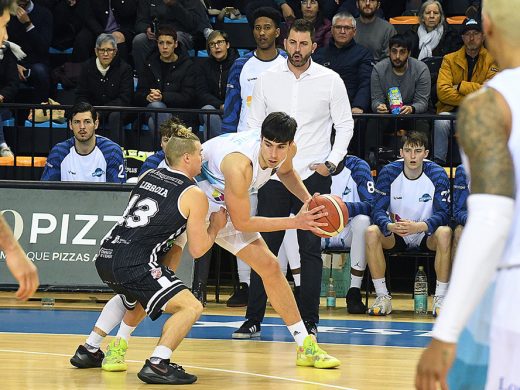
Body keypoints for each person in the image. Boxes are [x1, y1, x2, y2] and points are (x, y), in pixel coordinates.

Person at [71, 125, 229, 385]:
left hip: (107, 254)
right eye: (200, 154)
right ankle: (159, 362)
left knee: (132, 296)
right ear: (187, 158)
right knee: (191, 307)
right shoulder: (194, 194)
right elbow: (199, 249)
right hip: (135, 262)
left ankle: (89, 349)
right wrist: (215, 226)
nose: (203, 158)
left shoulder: (148, 175)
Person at [416, 0, 519, 387]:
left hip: (510, 289)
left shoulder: (489, 106)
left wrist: (446, 332)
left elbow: (492, 220)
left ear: (487, 25)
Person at [237, 19, 354, 338]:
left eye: (304, 44)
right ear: (284, 42)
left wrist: (331, 163)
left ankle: (309, 320)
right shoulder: (266, 78)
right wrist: (258, 166)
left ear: (313, 46)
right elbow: (253, 125)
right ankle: (252, 319)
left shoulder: (330, 80)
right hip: (273, 177)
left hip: (313, 177)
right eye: (292, 43)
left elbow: (345, 125)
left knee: (311, 250)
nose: (297, 49)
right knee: (264, 248)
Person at [197, 112, 340, 368]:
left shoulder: (286, 151)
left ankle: (305, 346)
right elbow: (243, 223)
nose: (274, 154)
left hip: (221, 205)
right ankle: (106, 342)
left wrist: (309, 202)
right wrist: (296, 222)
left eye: (280, 147)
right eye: (268, 145)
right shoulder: (239, 165)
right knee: (159, 267)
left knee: (271, 266)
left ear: (289, 144)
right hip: (188, 198)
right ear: (260, 138)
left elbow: (286, 174)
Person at [220, 6, 287, 306]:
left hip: (277, 152)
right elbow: (231, 109)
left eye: (267, 27)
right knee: (240, 220)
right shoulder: (241, 65)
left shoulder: (287, 64)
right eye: (257, 27)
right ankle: (245, 285)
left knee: (278, 220)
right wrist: (226, 142)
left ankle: (285, 282)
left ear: (277, 32)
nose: (262, 32)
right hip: (245, 152)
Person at [365, 131, 451, 317]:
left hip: (425, 233)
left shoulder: (437, 174)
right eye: (408, 150)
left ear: (426, 154)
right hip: (397, 232)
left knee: (445, 232)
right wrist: (389, 226)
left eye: (418, 151)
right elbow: (377, 210)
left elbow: (444, 214)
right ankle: (382, 297)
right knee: (372, 231)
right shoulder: (389, 172)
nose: (413, 156)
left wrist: (420, 226)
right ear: (401, 153)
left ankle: (441, 299)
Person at [279, 154, 374, 314]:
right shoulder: (306, 164)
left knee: (363, 221)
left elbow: (372, 204)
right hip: (315, 229)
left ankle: (354, 292)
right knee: (290, 219)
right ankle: (299, 287)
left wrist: (338, 208)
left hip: (346, 230)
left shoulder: (358, 166)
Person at [433, 17, 498, 165]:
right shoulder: (449, 59)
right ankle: (438, 164)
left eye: (476, 33)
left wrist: (461, 86)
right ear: (462, 37)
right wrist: (478, 90)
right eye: (468, 34)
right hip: (451, 111)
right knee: (441, 121)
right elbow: (442, 92)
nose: (472, 38)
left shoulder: (492, 60)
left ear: (483, 36)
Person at [41, 102, 126, 183]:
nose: (82, 127)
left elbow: (116, 195)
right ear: (70, 125)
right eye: (77, 122)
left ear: (96, 124)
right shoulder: (59, 152)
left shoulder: (111, 151)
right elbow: (46, 192)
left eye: (87, 122)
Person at [134, 24, 197, 132]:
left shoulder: (187, 65)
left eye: (168, 43)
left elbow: (188, 97)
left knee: (152, 122)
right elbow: (139, 93)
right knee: (156, 106)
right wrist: (147, 97)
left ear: (176, 44)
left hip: (178, 114)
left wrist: (163, 96)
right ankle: (172, 141)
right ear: (157, 44)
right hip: (152, 108)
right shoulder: (149, 63)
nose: (164, 47)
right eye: (161, 43)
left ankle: (164, 147)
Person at [75, 33, 134, 143]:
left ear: (115, 51)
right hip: (92, 111)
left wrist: (100, 112)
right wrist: (90, 111)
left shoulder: (125, 69)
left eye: (109, 50)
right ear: (96, 51)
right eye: (102, 50)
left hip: (117, 111)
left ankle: (117, 152)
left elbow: (125, 98)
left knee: (115, 115)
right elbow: (81, 95)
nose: (105, 54)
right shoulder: (87, 67)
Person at [313, 11, 373, 114]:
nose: (342, 31)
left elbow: (365, 82)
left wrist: (358, 106)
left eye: (347, 28)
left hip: (351, 110)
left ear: (354, 31)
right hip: (322, 110)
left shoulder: (363, 54)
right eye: (338, 27)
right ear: (332, 30)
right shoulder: (319, 54)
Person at [132, 0, 212, 78]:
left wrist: (174, 5)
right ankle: (145, 81)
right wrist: (146, 28)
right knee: (139, 40)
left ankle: (175, 80)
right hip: (156, 35)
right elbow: (140, 21)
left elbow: (194, 24)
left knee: (174, 39)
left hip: (182, 33)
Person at [371, 34, 431, 116]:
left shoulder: (421, 69)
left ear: (409, 53)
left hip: (413, 115)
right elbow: (376, 100)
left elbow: (422, 102)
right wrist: (379, 106)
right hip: (387, 115)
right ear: (389, 52)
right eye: (394, 51)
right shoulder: (378, 69)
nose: (397, 56)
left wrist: (412, 108)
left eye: (402, 52)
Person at [7, 0, 52, 104]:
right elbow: (4, 44)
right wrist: (14, 64)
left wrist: (28, 24)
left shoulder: (44, 13)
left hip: (34, 63)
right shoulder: (6, 13)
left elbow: (43, 48)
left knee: (40, 71)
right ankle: (5, 113)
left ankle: (39, 112)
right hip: (11, 62)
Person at [196, 30, 239, 138]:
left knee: (208, 124)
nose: (216, 46)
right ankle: (224, 145)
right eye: (212, 44)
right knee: (208, 110)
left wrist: (228, 105)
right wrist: (220, 105)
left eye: (220, 42)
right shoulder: (203, 66)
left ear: (227, 44)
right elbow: (201, 93)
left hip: (233, 109)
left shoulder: (238, 64)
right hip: (213, 108)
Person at [0, 40, 20, 157]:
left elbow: (13, 84)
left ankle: (2, 145)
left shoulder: (7, 53)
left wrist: (2, 96)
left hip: (3, 105)